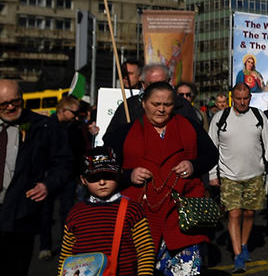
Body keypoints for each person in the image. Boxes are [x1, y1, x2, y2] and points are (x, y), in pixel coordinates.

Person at [114, 81, 218, 276]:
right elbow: (109, 169)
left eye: (167, 104)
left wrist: (193, 165)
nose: (161, 110)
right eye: (156, 104)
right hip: (141, 217)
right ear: (144, 103)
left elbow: (211, 155)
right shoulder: (124, 132)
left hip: (182, 217)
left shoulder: (189, 126)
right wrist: (129, 174)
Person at [0, 79, 73, 276]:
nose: (10, 107)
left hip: (20, 216)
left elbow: (64, 163)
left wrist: (48, 184)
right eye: (4, 104)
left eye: (15, 101)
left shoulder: (42, 126)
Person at [208, 83, 268, 273]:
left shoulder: (258, 115)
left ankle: (244, 243)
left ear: (250, 98)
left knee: (249, 213)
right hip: (228, 175)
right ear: (232, 98)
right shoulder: (220, 118)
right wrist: (213, 174)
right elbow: (211, 147)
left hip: (255, 174)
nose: (241, 102)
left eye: (245, 98)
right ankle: (238, 255)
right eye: (238, 98)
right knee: (234, 213)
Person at [58, 146, 155, 276]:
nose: (102, 182)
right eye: (94, 178)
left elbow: (145, 250)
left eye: (108, 176)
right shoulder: (75, 213)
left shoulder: (132, 210)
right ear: (83, 180)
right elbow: (66, 258)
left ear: (119, 174)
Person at [39, 95, 86, 261]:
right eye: (74, 112)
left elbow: (80, 150)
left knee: (67, 212)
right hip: (49, 175)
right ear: (63, 110)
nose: (76, 116)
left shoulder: (74, 127)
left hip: (68, 174)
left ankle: (67, 247)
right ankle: (45, 246)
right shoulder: (46, 126)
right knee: (46, 212)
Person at [104, 64, 200, 143]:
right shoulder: (129, 106)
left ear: (169, 82)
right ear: (143, 84)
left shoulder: (182, 105)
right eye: (152, 85)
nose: (161, 109)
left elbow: (199, 141)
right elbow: (110, 140)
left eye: (162, 84)